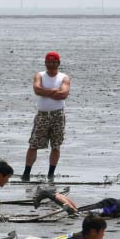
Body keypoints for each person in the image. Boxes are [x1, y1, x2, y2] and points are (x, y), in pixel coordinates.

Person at [21, 51, 71, 182]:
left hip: (58, 115)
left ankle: (51, 173)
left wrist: (46, 92)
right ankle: (26, 173)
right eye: (48, 62)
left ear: (59, 63)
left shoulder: (64, 77)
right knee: (33, 144)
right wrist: (54, 91)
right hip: (42, 115)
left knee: (56, 145)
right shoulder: (40, 75)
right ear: (45, 63)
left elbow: (64, 94)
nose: (51, 65)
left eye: (54, 62)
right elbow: (37, 90)